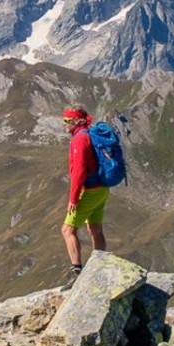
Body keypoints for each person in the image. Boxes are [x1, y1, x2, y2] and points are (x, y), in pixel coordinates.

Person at [60, 105, 108, 281]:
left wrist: (73, 199)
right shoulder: (90, 134)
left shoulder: (79, 140)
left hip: (88, 191)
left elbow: (79, 171)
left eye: (66, 121)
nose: (64, 124)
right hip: (102, 189)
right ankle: (100, 267)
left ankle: (77, 274)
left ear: (75, 121)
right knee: (95, 228)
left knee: (67, 230)